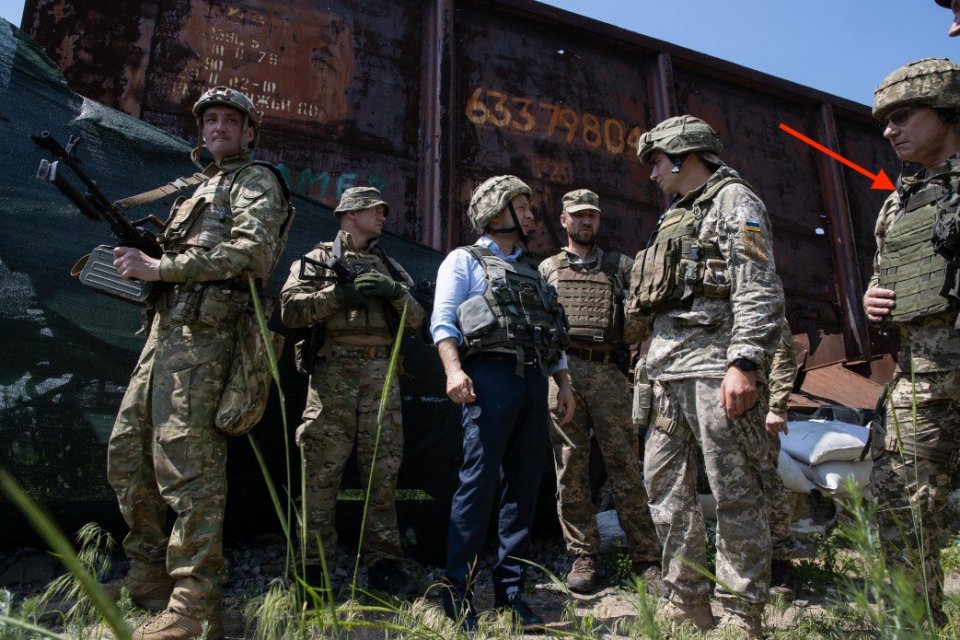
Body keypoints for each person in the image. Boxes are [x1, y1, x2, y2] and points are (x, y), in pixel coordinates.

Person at [105, 87, 292, 640]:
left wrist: (161, 268)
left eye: (231, 120)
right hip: (166, 334)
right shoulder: (199, 186)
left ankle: (195, 605)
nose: (218, 127)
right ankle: (147, 577)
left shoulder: (255, 180)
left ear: (249, 132)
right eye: (210, 119)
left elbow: (253, 254)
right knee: (129, 454)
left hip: (208, 342)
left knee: (189, 468)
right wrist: (152, 264)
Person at [628, 115, 784, 637]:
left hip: (716, 369)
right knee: (665, 491)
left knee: (733, 491)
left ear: (681, 156)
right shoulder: (676, 215)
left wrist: (745, 362)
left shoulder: (736, 202)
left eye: (656, 161)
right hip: (667, 372)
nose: (652, 173)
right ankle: (687, 602)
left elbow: (758, 286)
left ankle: (741, 615)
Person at [430, 175, 575, 631]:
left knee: (524, 488)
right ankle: (458, 591)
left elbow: (551, 332)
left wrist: (563, 384)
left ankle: (511, 594)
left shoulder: (534, 271)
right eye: (522, 206)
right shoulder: (463, 260)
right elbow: (443, 321)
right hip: (488, 378)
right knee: (477, 485)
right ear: (496, 212)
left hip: (533, 380)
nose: (531, 214)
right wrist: (454, 370)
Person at [279, 186, 425, 596]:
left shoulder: (390, 267)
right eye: (373, 210)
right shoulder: (317, 260)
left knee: (383, 473)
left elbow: (418, 321)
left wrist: (395, 293)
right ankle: (313, 570)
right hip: (332, 376)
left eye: (382, 210)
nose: (381, 217)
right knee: (319, 474)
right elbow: (289, 310)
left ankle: (384, 565)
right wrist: (338, 295)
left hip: (382, 377)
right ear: (349, 215)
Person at [863, 57, 960, 623]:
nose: (889, 131)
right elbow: (884, 275)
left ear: (946, 111)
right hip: (922, 374)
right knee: (900, 501)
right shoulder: (898, 201)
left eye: (902, 116)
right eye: (884, 121)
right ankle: (914, 624)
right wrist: (873, 297)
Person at [537, 188, 660, 594]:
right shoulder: (548, 268)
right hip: (563, 372)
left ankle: (647, 558)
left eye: (591, 215)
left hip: (609, 372)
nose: (585, 221)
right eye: (578, 215)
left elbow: (645, 310)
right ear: (564, 220)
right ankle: (583, 556)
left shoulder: (620, 266)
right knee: (570, 466)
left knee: (625, 465)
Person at [763, 318, 799, 599]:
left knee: (767, 485)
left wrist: (777, 406)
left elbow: (783, 354)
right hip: (710, 408)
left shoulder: (760, 300)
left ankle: (780, 563)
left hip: (754, 410)